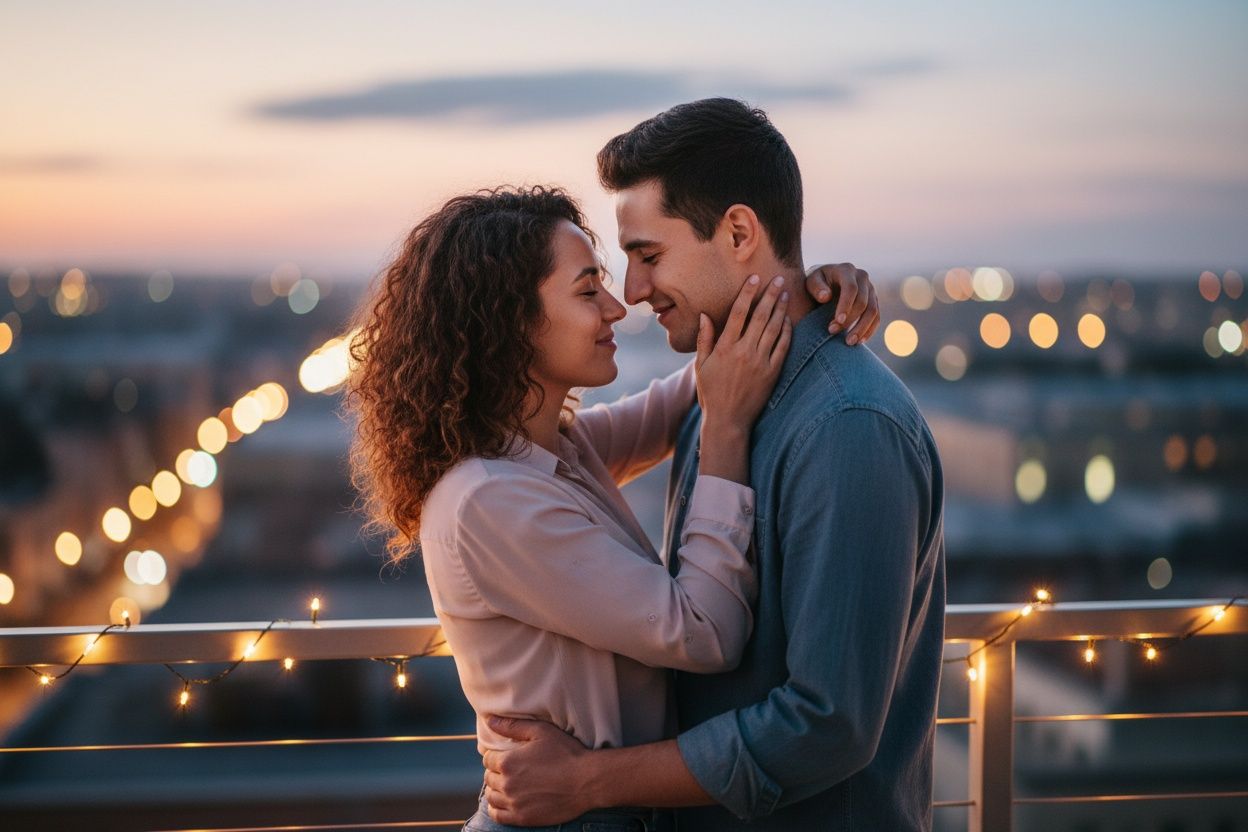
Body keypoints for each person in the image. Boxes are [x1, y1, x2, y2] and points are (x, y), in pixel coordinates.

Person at [343, 184, 880, 832]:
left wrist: (793, 295)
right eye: (587, 288)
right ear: (509, 322)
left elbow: (696, 390)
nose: (618, 307)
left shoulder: (549, 453)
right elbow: (704, 632)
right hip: (560, 817)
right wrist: (728, 436)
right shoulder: (489, 501)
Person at [481, 99, 947, 832]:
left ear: (737, 232)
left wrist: (588, 782)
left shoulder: (849, 430)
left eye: (648, 256)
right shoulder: (720, 386)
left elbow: (827, 724)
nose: (631, 294)